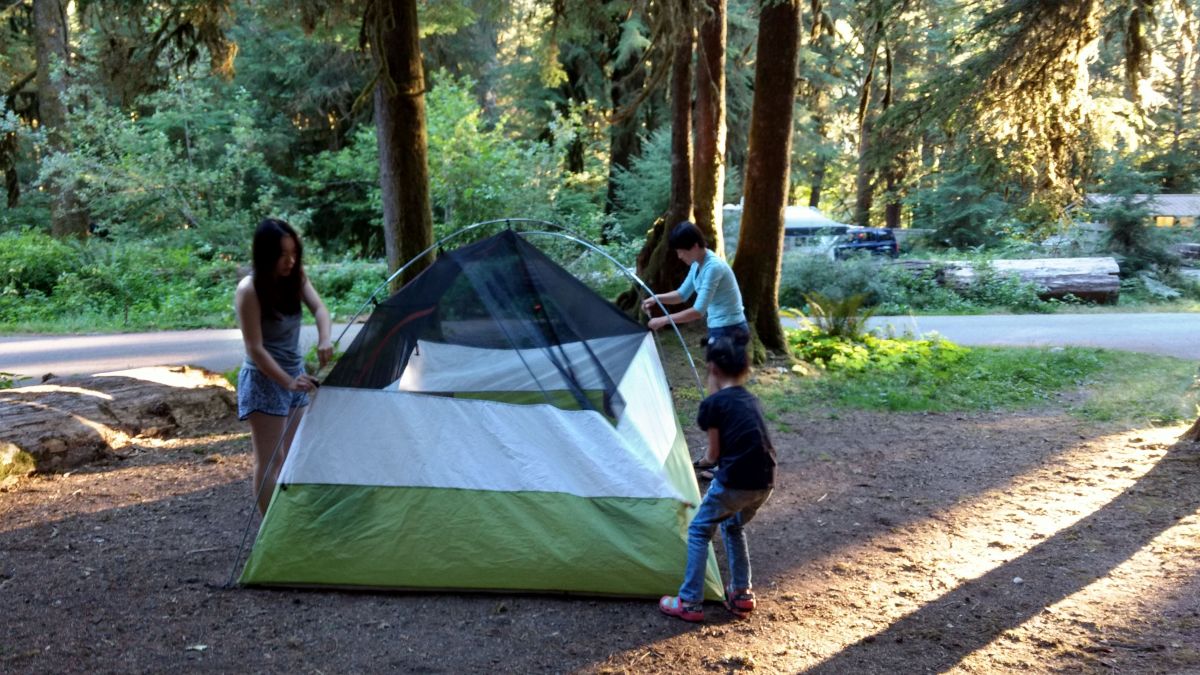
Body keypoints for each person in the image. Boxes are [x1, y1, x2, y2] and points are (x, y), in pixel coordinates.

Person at [659, 337, 776, 623]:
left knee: (700, 530)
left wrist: (696, 463)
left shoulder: (714, 404)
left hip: (735, 482)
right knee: (733, 525)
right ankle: (741, 594)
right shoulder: (750, 399)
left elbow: (712, 455)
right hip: (765, 481)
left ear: (712, 368)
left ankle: (689, 601)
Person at [235, 218, 333, 515]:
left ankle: (290, 519)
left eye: (293, 253)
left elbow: (320, 308)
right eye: (282, 255)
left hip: (295, 378)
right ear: (265, 255)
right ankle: (268, 529)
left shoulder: (296, 278)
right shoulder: (249, 289)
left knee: (295, 454)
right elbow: (255, 348)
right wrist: (287, 382)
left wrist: (324, 339)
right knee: (271, 460)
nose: (290, 261)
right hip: (264, 381)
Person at [641, 221, 749, 349]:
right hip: (719, 327)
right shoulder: (696, 264)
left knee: (719, 363)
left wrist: (663, 320)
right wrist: (656, 299)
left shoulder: (713, 267)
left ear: (695, 246)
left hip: (731, 329)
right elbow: (681, 295)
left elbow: (698, 311)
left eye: (681, 251)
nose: (679, 256)